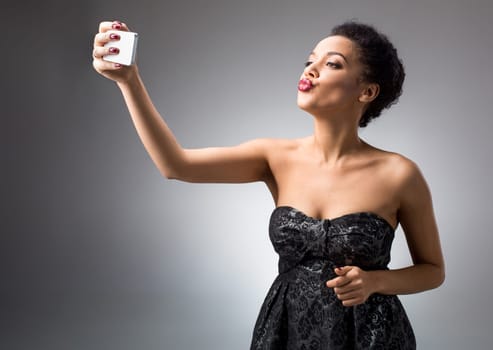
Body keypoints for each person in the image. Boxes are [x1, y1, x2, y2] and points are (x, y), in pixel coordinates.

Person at [92, 19, 445, 349]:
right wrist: (129, 80)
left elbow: (432, 271)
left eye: (333, 64)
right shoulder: (273, 157)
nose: (311, 69)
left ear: (366, 91)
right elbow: (175, 164)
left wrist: (375, 282)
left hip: (371, 334)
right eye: (310, 60)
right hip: (286, 328)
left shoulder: (399, 173)